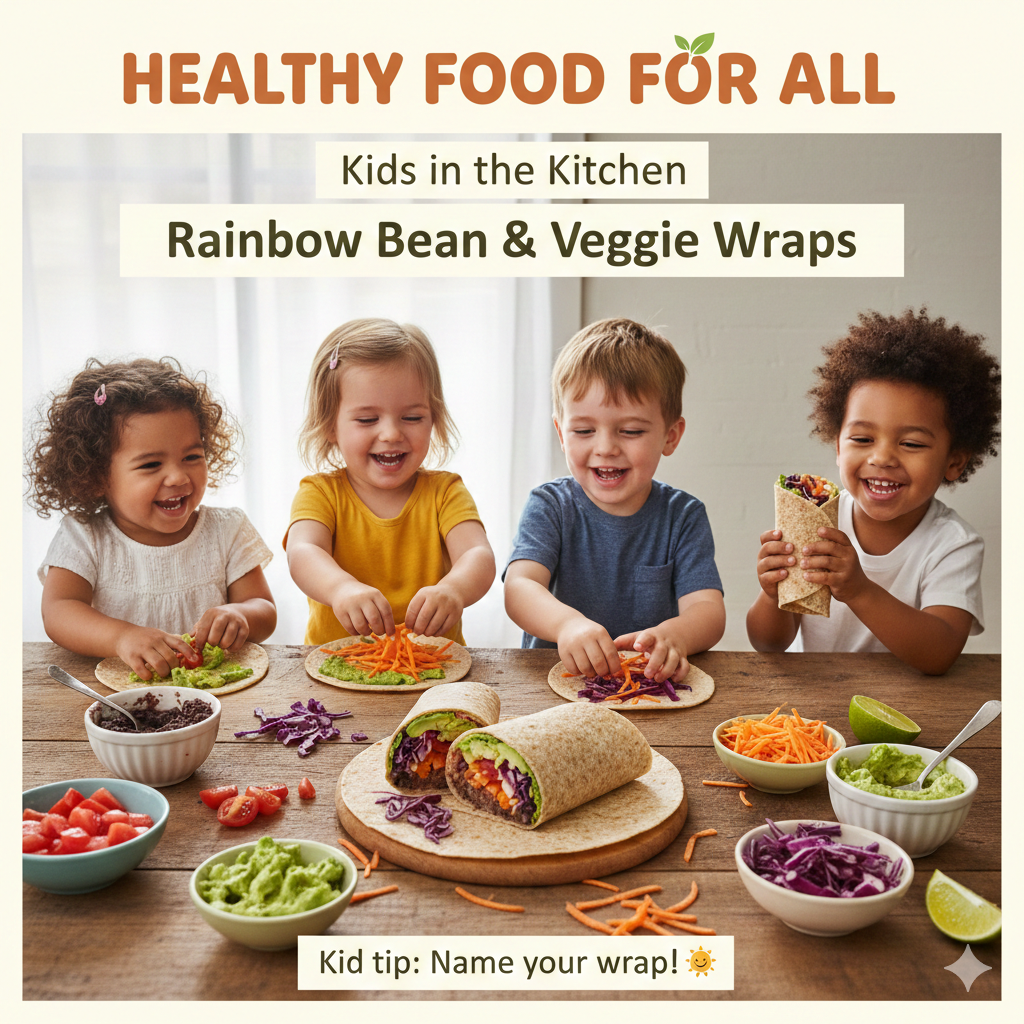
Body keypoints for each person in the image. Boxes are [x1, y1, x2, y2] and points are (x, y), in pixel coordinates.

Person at [747, 308, 1001, 674]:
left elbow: (939, 653)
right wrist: (772, 594)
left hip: (905, 704)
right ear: (838, 446)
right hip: (815, 700)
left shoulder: (952, 544)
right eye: (863, 439)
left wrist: (859, 591)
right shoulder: (817, 522)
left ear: (954, 461)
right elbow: (768, 645)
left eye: (911, 443)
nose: (881, 458)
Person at [504, 318, 726, 683]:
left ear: (670, 436)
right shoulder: (550, 506)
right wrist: (566, 624)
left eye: (631, 431)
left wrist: (676, 635)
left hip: (649, 686)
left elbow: (707, 609)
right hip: (555, 687)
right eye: (584, 430)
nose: (605, 447)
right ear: (561, 433)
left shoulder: (684, 516)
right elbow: (519, 587)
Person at [30, 357, 277, 680]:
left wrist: (239, 615)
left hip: (217, 696)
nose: (178, 477)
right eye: (150, 465)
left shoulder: (227, 530)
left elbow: (263, 609)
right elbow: (59, 611)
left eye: (192, 456)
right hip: (116, 696)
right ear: (96, 474)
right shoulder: (84, 536)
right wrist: (121, 637)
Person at [285, 319, 495, 646]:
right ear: (329, 425)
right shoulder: (320, 493)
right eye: (367, 419)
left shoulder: (446, 492)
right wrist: (340, 588)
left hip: (434, 665)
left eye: (412, 417)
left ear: (434, 418)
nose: (391, 433)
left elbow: (478, 555)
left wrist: (454, 589)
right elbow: (303, 551)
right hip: (333, 664)